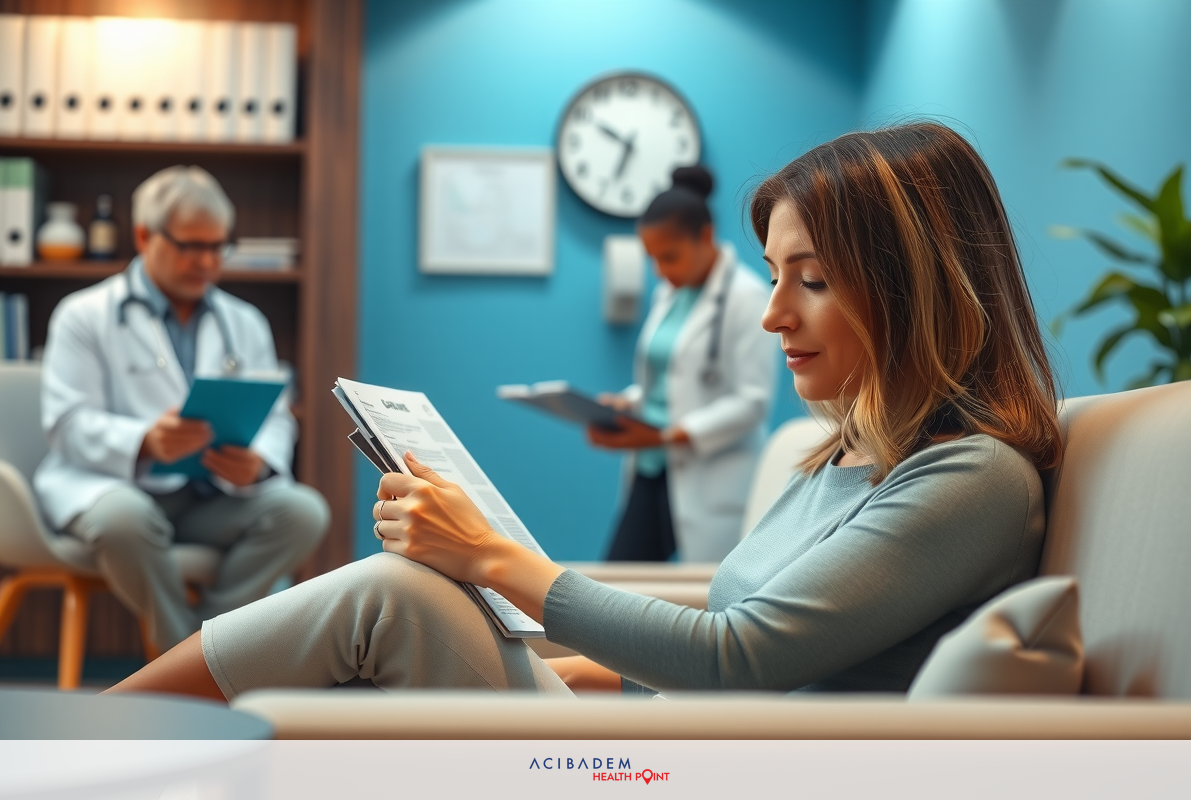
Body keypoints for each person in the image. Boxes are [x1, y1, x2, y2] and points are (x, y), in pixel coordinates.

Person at [108, 122, 1062, 700]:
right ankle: (125, 743)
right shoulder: (851, 460)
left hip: (696, 764)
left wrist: (487, 554)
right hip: (664, 732)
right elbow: (759, 633)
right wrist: (603, 673)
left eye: (809, 280)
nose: (773, 313)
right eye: (774, 277)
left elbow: (739, 657)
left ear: (914, 284)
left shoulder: (972, 478)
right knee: (399, 599)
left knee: (390, 595)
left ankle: (103, 743)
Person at [35, 166, 329, 654]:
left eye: (218, 247)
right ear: (144, 235)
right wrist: (145, 440)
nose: (207, 261)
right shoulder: (83, 315)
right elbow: (66, 424)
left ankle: (203, 648)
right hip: (116, 488)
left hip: (210, 495)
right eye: (191, 246)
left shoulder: (245, 322)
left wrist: (257, 464)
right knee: (125, 520)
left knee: (303, 512)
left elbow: (277, 416)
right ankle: (193, 667)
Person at [590, 165, 777, 563]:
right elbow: (666, 381)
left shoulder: (748, 297)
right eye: (652, 259)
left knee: (710, 600)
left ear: (704, 236)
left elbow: (752, 402)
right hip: (652, 468)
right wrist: (629, 403)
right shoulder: (668, 295)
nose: (660, 271)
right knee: (619, 582)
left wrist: (667, 435)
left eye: (669, 257)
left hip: (709, 472)